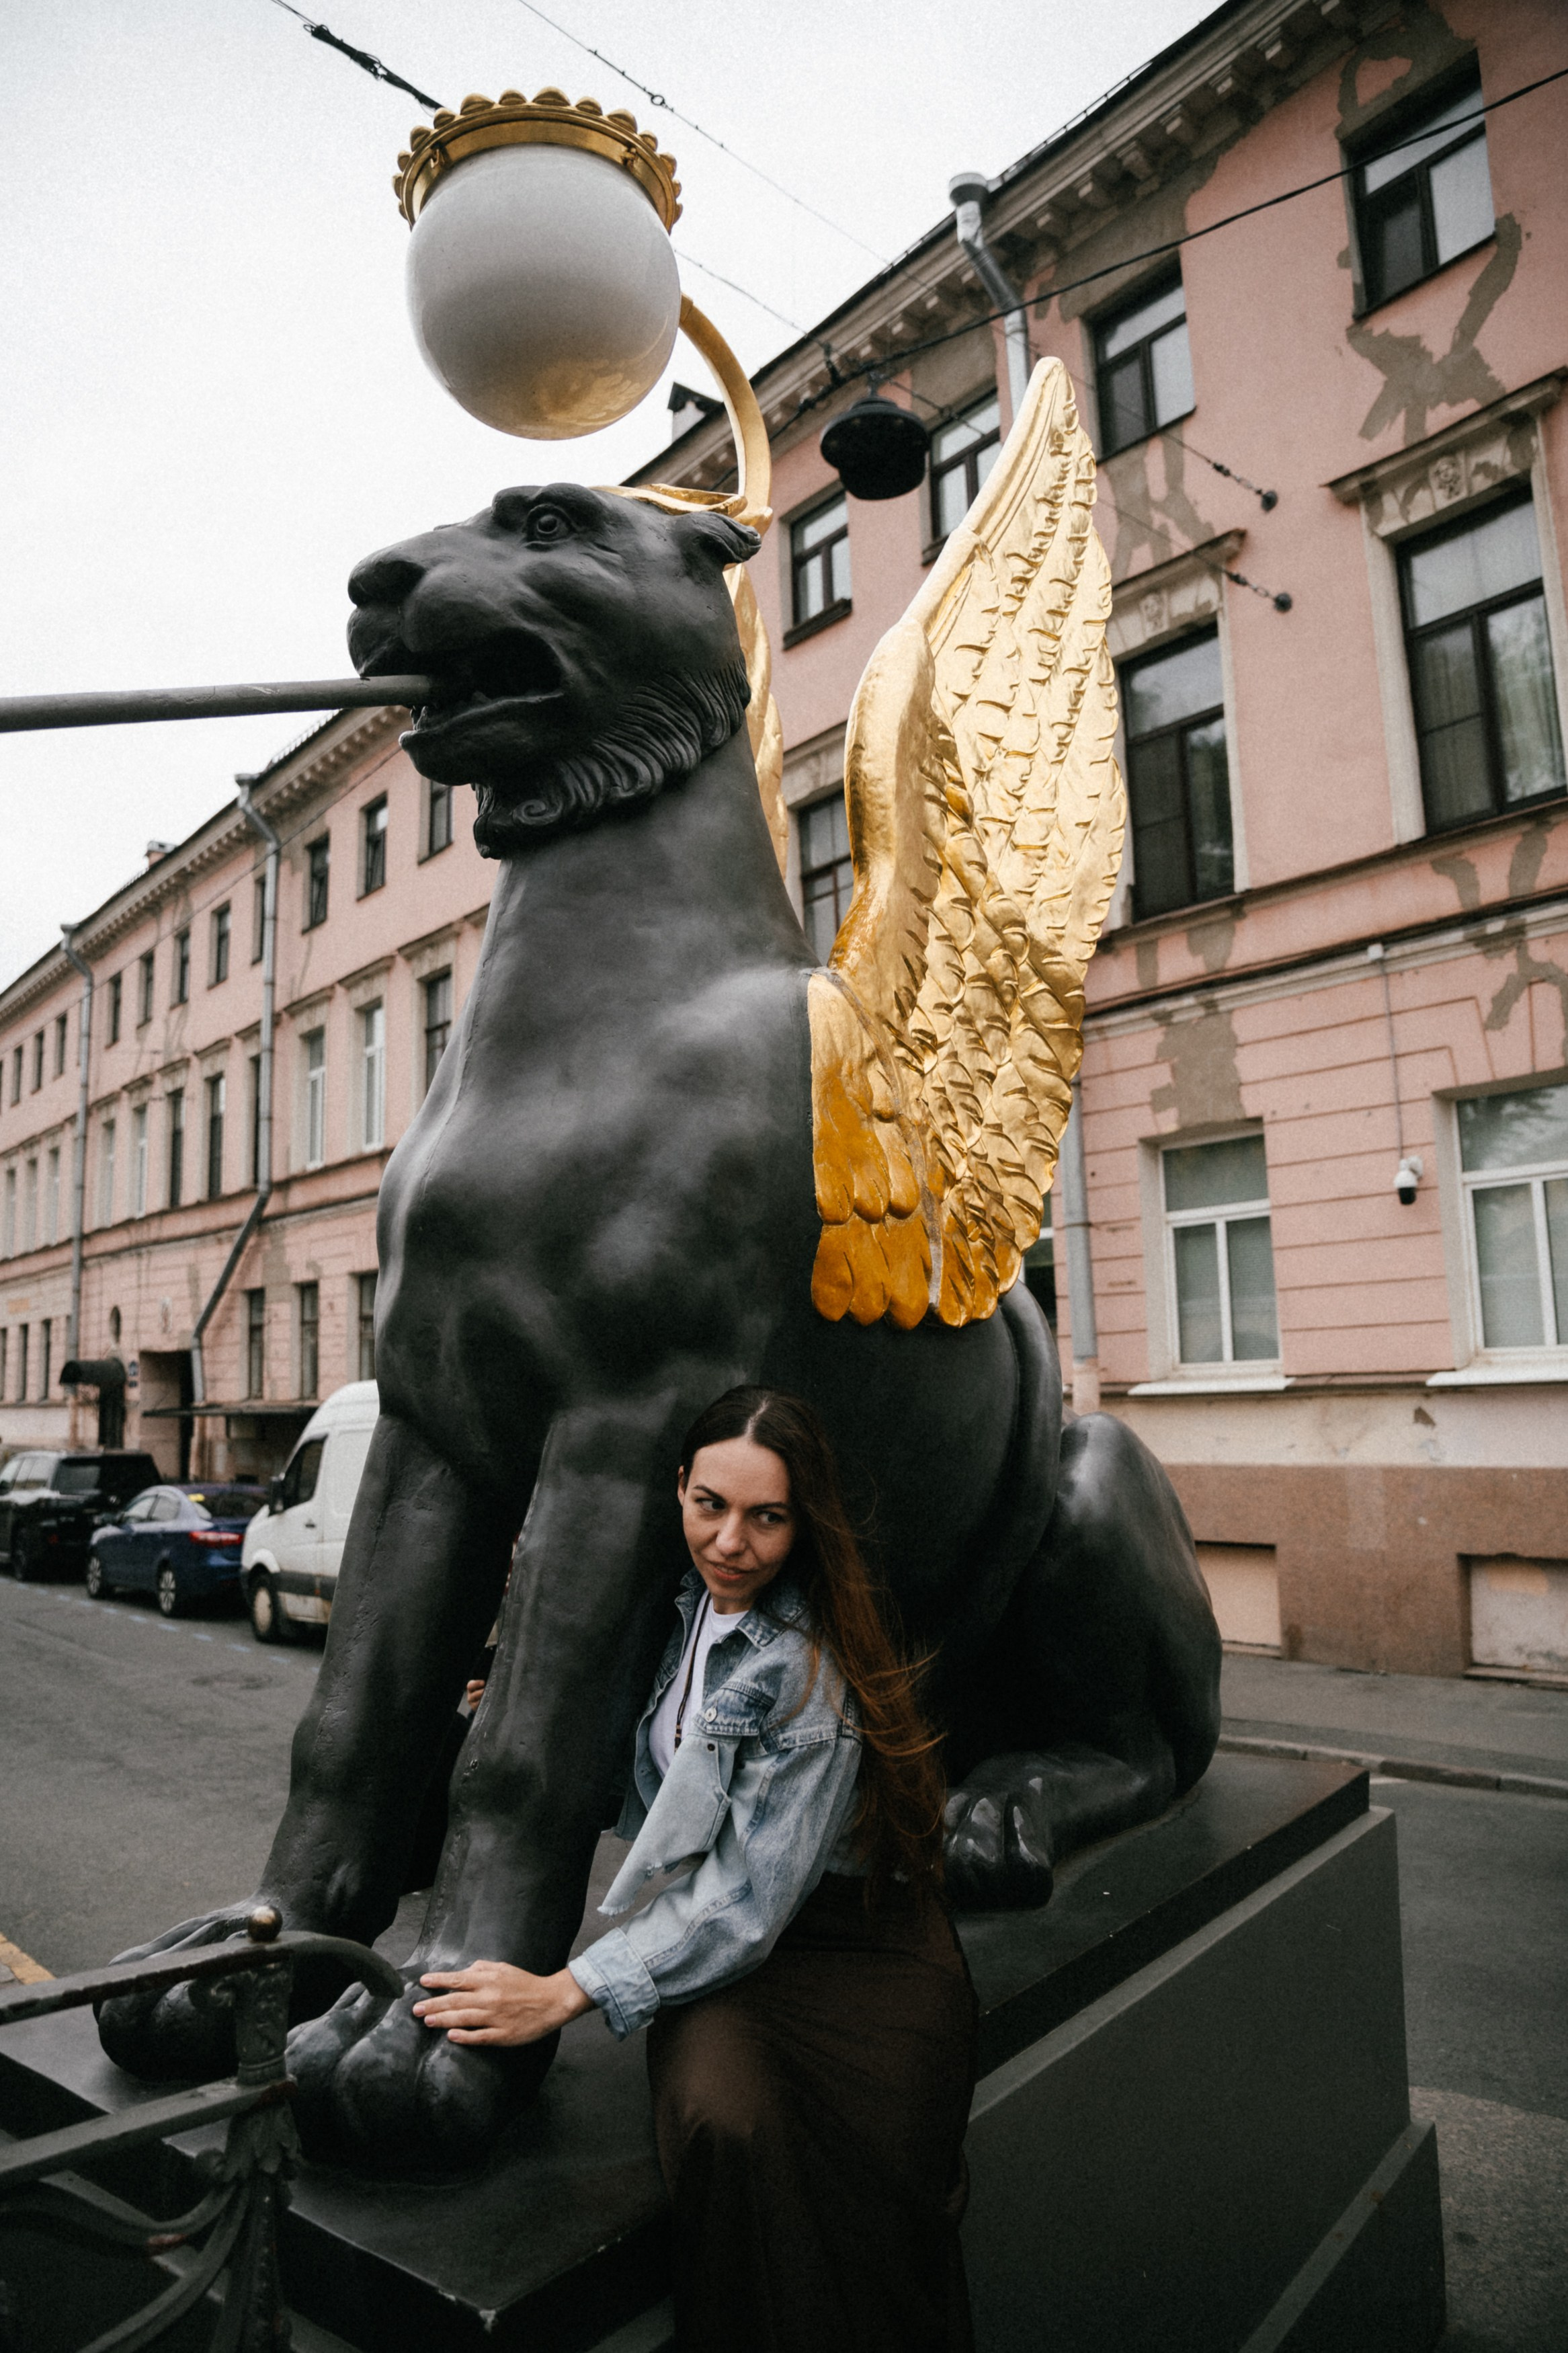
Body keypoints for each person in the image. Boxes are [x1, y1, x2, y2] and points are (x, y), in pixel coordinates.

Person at [414, 1384, 977, 2350]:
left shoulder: (805, 1672)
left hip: (853, 1956)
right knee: (725, 2131)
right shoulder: (677, 1608)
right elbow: (662, 1789)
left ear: (804, 1524)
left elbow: (748, 1903)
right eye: (710, 1504)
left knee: (828, 2193)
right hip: (737, 1940)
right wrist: (504, 1708)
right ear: (678, 1488)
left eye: (767, 1519)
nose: (729, 1543)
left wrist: (565, 1993)